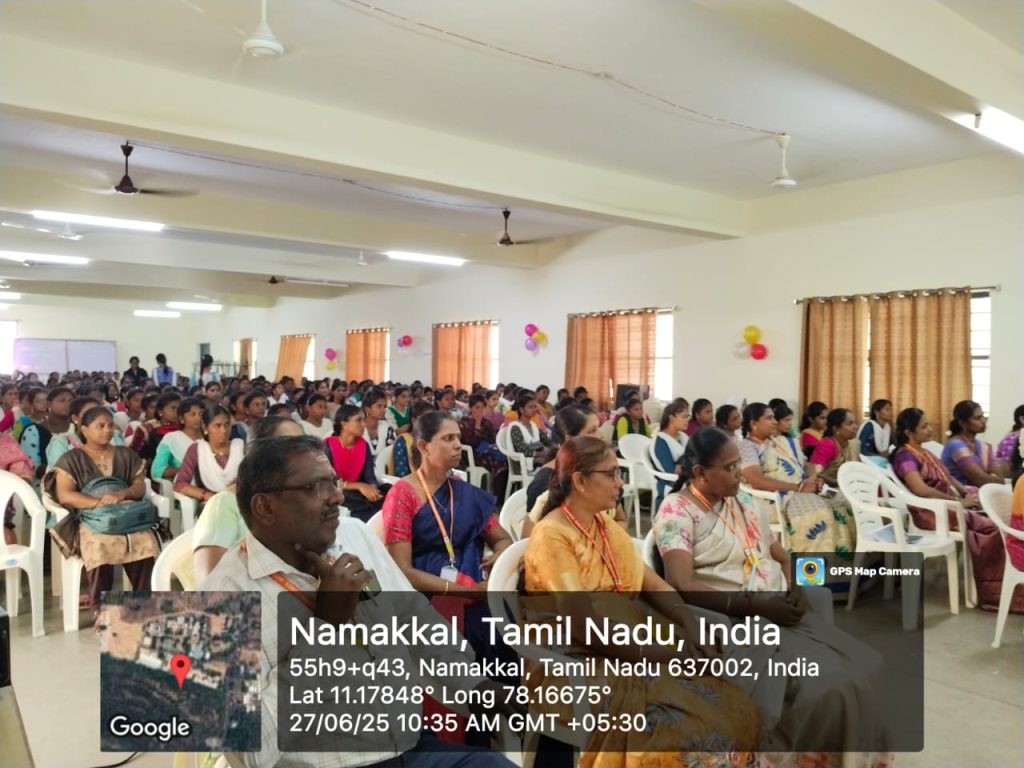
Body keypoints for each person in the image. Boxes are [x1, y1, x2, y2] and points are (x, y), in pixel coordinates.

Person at [200, 435, 517, 768]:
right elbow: (249, 753)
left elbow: (412, 617)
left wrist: (473, 682)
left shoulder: (354, 534)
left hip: (411, 746)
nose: (337, 496)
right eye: (315, 487)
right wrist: (326, 630)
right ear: (265, 507)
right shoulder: (213, 604)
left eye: (334, 482)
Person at [654, 427, 891, 767]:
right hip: (738, 622)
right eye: (730, 468)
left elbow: (784, 557)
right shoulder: (677, 510)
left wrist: (795, 588)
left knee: (868, 664)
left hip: (778, 612)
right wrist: (757, 606)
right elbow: (680, 580)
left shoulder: (744, 502)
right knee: (827, 688)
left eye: (739, 464)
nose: (740, 473)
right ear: (700, 473)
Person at [523, 435, 761, 767]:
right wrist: (671, 656)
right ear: (579, 480)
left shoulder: (604, 526)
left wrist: (690, 626)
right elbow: (584, 629)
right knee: (689, 731)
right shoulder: (552, 534)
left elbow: (656, 585)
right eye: (611, 474)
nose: (620, 482)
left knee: (736, 704)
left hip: (626, 648)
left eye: (619, 473)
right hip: (571, 664)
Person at [891, 407, 1018, 613]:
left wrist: (966, 494)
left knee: (998, 511)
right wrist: (958, 502)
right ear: (908, 432)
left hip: (949, 504)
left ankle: (1009, 583)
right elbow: (921, 489)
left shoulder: (925, 452)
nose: (930, 429)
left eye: (928, 424)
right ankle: (993, 592)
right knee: (993, 526)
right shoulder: (905, 455)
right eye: (924, 426)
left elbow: (948, 478)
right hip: (932, 512)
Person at [46, 406, 159, 618]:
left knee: (144, 540)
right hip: (91, 518)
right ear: (84, 430)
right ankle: (101, 610)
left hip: (126, 515)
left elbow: (139, 486)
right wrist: (98, 503)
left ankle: (143, 604)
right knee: (99, 544)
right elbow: (66, 495)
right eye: (100, 426)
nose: (107, 430)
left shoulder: (125, 454)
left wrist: (123, 494)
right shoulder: (71, 459)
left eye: (110, 425)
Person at [192, 416, 304, 582]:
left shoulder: (300, 499)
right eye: (292, 447)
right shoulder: (224, 505)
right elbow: (210, 585)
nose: (305, 455)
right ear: (259, 455)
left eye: (305, 445)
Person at [739, 403, 855, 558]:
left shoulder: (780, 442)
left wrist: (814, 478)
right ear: (754, 424)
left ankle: (840, 567)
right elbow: (756, 480)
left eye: (774, 418)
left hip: (798, 489)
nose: (775, 422)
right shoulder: (747, 447)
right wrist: (799, 487)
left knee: (842, 504)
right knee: (818, 514)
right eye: (769, 418)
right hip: (772, 498)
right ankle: (809, 571)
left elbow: (805, 465)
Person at [323, 405, 385, 522]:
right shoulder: (328, 446)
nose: (364, 424)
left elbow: (370, 477)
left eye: (363, 420)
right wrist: (359, 486)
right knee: (351, 500)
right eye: (358, 420)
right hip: (337, 492)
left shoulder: (363, 445)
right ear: (344, 424)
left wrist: (372, 490)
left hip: (359, 493)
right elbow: (328, 482)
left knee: (387, 494)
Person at [174, 405, 245, 504]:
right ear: (205, 428)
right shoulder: (197, 449)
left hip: (240, 501)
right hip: (210, 503)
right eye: (217, 425)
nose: (224, 430)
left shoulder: (241, 446)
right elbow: (180, 484)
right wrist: (207, 496)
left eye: (227, 424)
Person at [458, 393, 508, 500]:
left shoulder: (487, 423)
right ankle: (493, 498)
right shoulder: (464, 422)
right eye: (477, 408)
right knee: (498, 464)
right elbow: (471, 443)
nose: (480, 411)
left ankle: (498, 498)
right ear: (470, 408)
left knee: (505, 463)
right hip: (471, 454)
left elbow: (492, 440)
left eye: (482, 407)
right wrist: (477, 424)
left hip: (486, 452)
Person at [941, 400, 1003, 486]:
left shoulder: (981, 445)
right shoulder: (956, 445)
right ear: (962, 423)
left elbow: (1000, 477)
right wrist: (996, 480)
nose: (983, 421)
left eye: (983, 416)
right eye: (977, 418)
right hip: (962, 492)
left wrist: (997, 480)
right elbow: (980, 480)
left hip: (982, 490)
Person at [20, 386, 73, 482]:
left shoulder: (81, 428)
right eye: (62, 400)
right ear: (49, 404)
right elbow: (33, 465)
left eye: (70, 401)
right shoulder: (34, 431)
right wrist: (64, 474)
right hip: (46, 483)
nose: (67, 404)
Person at [150, 397, 204, 481]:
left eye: (201, 414)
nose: (198, 418)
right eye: (193, 414)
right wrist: (186, 470)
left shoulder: (210, 437)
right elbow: (157, 470)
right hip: (184, 484)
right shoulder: (171, 438)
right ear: (182, 419)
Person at [808, 409, 861, 487]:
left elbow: (858, 469)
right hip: (827, 489)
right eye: (850, 424)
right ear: (836, 429)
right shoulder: (827, 444)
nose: (856, 427)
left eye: (854, 422)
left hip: (848, 487)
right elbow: (814, 474)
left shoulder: (854, 443)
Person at [507, 389, 550, 474]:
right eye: (530, 407)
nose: (534, 409)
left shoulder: (533, 425)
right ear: (521, 410)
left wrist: (555, 448)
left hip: (536, 457)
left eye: (535, 406)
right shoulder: (515, 427)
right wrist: (542, 453)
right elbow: (521, 449)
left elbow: (546, 440)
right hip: (523, 463)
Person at [858, 399, 894, 465]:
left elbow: (891, 446)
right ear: (876, 412)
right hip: (866, 462)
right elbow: (862, 450)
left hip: (882, 461)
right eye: (887, 409)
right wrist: (880, 456)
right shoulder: (869, 426)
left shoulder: (887, 427)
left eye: (891, 410)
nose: (891, 413)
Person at [362, 387, 396, 454]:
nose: (383, 410)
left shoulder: (387, 428)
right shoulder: (357, 428)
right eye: (379, 406)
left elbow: (392, 452)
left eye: (384, 406)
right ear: (367, 408)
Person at [995, 404, 1024, 481]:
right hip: (1014, 479)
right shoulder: (1014, 438)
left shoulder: (1011, 435)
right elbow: (1007, 466)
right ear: (1022, 419)